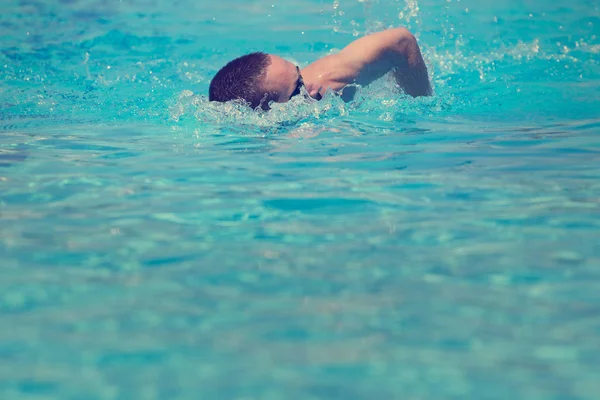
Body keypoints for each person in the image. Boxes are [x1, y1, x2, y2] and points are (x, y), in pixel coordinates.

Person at [209, 27, 432, 111]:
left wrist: (419, 115)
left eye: (299, 74)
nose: (313, 86)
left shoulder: (332, 80)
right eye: (298, 91)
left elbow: (402, 41)